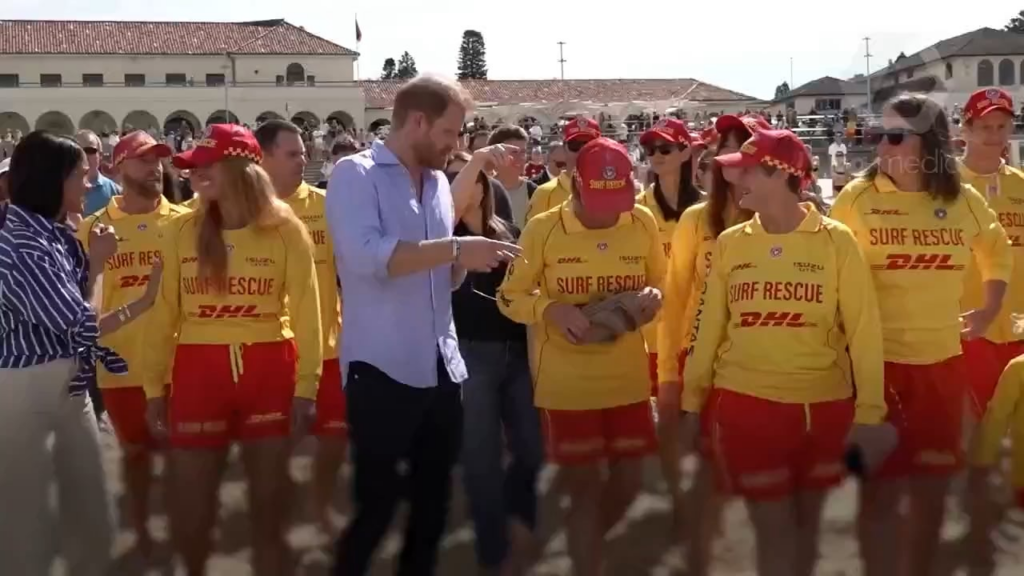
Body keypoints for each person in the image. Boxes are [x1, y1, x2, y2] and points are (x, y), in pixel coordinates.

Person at [326, 75, 521, 576]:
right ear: (417, 121)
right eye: (450, 132)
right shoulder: (355, 175)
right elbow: (366, 257)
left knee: (433, 508)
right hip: (381, 371)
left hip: (442, 370)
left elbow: (439, 274)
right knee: (376, 509)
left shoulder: (436, 184)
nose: (456, 144)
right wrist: (456, 249)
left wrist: (464, 261)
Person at [686, 129, 888, 576]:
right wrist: (690, 401)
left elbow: (864, 330)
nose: (737, 180)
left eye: (748, 171)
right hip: (748, 406)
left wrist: (870, 412)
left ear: (780, 174)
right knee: (773, 529)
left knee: (808, 530)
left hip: (825, 408)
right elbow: (709, 328)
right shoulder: (731, 242)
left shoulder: (836, 241)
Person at [830, 93, 1012, 576]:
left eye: (894, 136)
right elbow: (827, 268)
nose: (880, 146)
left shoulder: (961, 199)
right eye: (877, 135)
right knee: (880, 491)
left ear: (928, 143)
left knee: (931, 490)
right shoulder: (857, 198)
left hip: (942, 367)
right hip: (876, 369)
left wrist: (990, 306)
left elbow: (997, 249)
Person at [142, 124, 323, 576]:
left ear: (241, 168)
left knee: (270, 508)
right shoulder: (179, 229)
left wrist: (307, 387)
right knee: (192, 509)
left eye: (207, 165)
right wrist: (153, 387)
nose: (194, 173)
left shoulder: (286, 229)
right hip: (198, 373)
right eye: (192, 167)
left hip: (269, 369)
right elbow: (162, 315)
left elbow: (308, 311)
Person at [498, 137, 666, 576]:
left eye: (617, 201)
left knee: (629, 483)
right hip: (567, 387)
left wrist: (652, 298)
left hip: (627, 380)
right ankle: (585, 557)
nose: (609, 213)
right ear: (575, 185)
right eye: (598, 201)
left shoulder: (642, 221)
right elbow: (509, 297)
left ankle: (578, 541)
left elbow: (660, 283)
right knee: (585, 488)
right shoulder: (543, 229)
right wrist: (550, 308)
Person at [0, 130, 129, 576]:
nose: (90, 181)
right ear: (53, 181)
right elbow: (83, 323)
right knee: (28, 526)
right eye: (79, 173)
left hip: (66, 385)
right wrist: (99, 265)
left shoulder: (52, 234)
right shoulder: (22, 246)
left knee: (92, 515)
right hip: (27, 390)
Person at [656, 113, 762, 576]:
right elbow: (675, 300)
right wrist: (668, 376)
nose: (734, 159)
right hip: (700, 363)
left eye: (745, 148)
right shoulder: (696, 219)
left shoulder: (790, 219)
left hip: (766, 367)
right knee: (707, 475)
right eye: (727, 148)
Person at [76, 131, 186, 556]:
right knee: (136, 456)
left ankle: (181, 535)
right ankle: (142, 533)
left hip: (176, 366)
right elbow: (83, 301)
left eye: (158, 159)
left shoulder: (184, 221)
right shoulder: (93, 228)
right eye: (143, 160)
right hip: (119, 369)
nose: (154, 167)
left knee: (180, 459)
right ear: (119, 166)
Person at [445, 153, 543, 576]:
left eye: (475, 179)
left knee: (532, 450)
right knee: (481, 459)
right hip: (471, 356)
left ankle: (519, 525)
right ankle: (494, 553)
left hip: (517, 353)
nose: (468, 186)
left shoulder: (510, 232)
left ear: (486, 187)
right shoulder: (439, 238)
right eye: (456, 180)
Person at [255, 119, 347, 531]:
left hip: (328, 345)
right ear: (263, 158)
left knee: (335, 435)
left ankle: (319, 502)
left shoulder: (329, 206)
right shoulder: (245, 212)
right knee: (276, 439)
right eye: (292, 154)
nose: (303, 159)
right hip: (272, 350)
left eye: (304, 152)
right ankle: (277, 503)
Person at [633, 118, 702, 528]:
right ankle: (678, 500)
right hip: (653, 339)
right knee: (666, 427)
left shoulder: (710, 209)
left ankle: (697, 500)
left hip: (699, 338)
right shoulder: (637, 209)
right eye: (650, 149)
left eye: (665, 148)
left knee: (698, 426)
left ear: (686, 152)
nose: (656, 156)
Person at [525, 118, 601, 221]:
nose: (582, 152)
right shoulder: (544, 194)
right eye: (575, 146)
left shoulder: (616, 189)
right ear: (564, 149)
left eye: (589, 145)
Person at [487, 126, 537, 226]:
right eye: (514, 152)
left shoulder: (533, 191)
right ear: (496, 154)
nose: (521, 158)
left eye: (523, 152)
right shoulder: (482, 190)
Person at [76, 130, 122, 214]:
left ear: (100, 155)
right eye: (78, 151)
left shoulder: (115, 192)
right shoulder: (60, 191)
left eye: (89, 151)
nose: (83, 156)